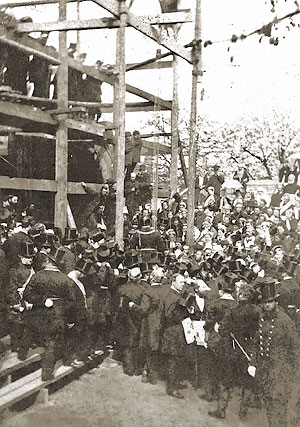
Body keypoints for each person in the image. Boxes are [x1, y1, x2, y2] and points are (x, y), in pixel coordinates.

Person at [250, 277, 300, 427]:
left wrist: (291, 371)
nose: (267, 305)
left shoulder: (285, 321)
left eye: (270, 302)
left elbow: (295, 347)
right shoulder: (262, 318)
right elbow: (256, 342)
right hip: (265, 370)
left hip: (280, 372)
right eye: (265, 302)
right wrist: (253, 363)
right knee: (269, 405)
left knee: (279, 408)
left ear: (276, 302)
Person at [160, 273, 193, 398]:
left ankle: (175, 382)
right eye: (180, 282)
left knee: (178, 358)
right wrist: (184, 312)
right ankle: (172, 387)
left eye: (184, 282)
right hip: (173, 332)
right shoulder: (171, 296)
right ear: (173, 282)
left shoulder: (176, 294)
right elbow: (169, 315)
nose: (183, 284)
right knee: (173, 360)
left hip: (178, 332)